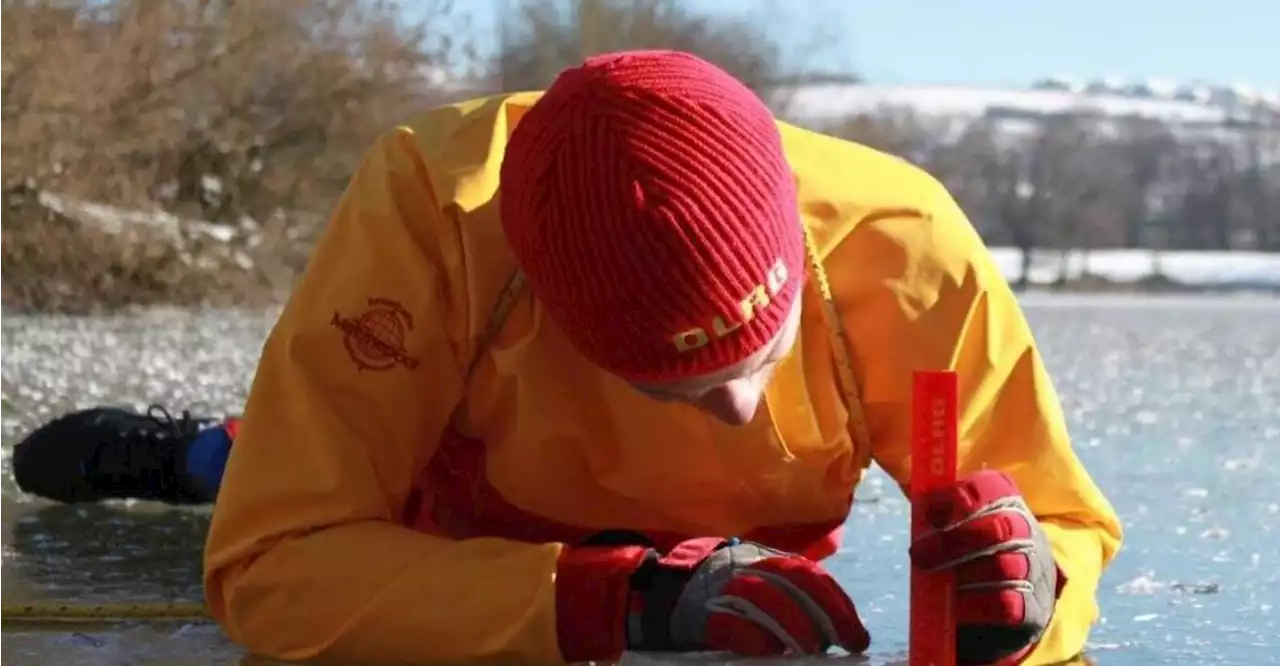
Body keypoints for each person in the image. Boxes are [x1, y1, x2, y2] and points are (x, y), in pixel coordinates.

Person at [9, 50, 1123, 666]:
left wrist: (1034, 587)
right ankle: (208, 455)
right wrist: (616, 601)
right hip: (467, 520)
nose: (734, 411)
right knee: (270, 479)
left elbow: (1060, 524)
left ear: (799, 232)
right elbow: (275, 567)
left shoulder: (901, 241)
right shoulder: (433, 212)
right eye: (668, 386)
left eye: (757, 355)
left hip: (730, 557)